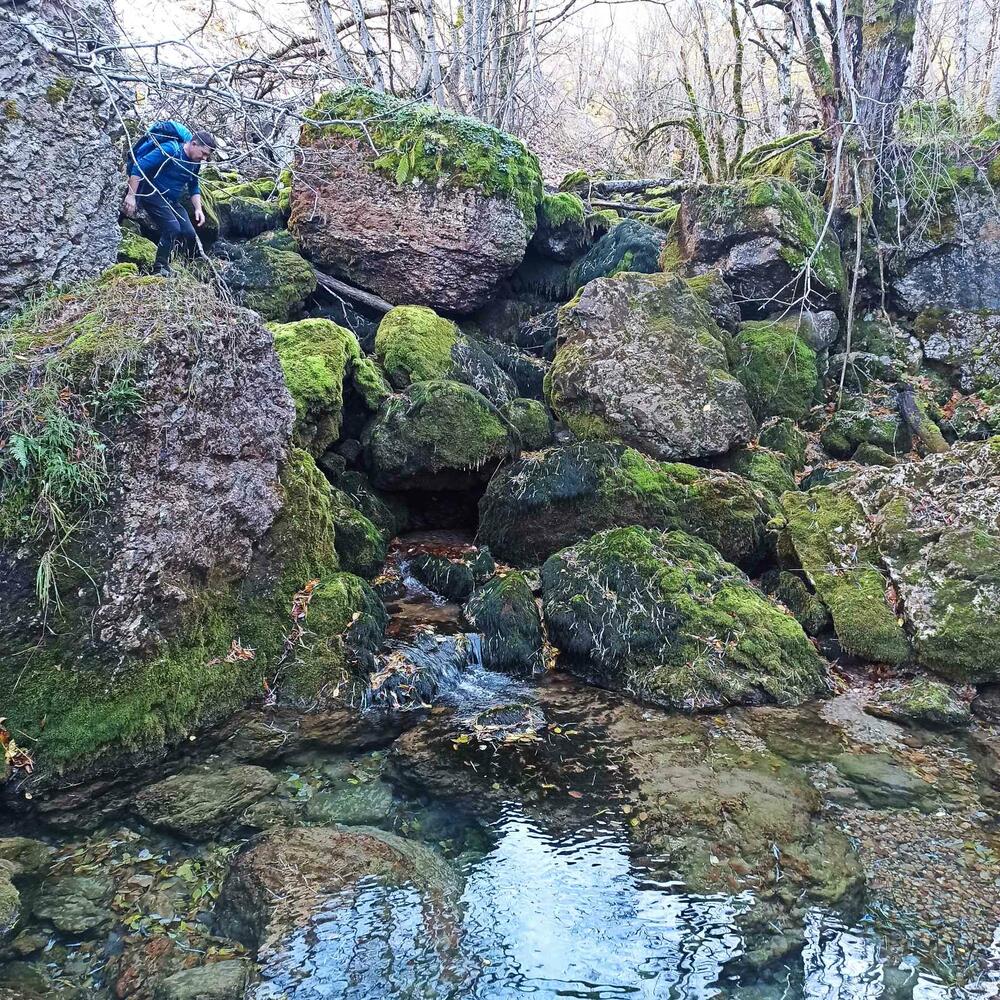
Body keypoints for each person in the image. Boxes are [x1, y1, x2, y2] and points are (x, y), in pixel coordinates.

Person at [122, 128, 218, 275]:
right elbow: (139, 166)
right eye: (203, 153)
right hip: (151, 193)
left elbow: (193, 185)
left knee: (189, 232)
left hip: (171, 200)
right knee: (172, 228)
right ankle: (159, 267)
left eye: (207, 155)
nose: (204, 158)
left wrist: (198, 209)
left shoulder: (195, 162)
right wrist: (131, 196)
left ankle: (172, 262)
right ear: (193, 144)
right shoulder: (170, 150)